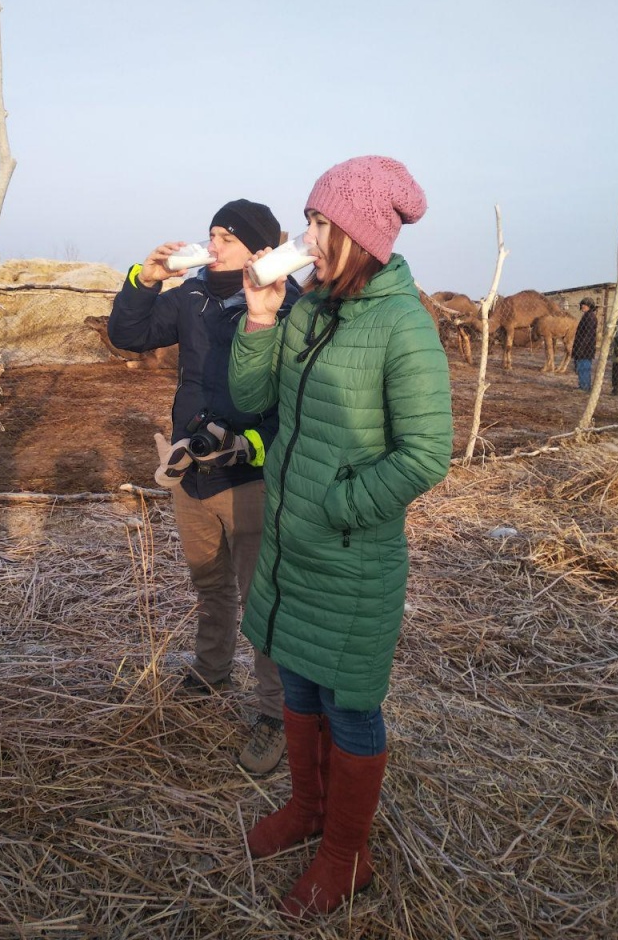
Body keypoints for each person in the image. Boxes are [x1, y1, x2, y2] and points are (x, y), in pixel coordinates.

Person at [228, 156, 454, 919]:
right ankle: (306, 808)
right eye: (311, 219)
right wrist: (261, 316)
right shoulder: (307, 307)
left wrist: (337, 504)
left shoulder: (403, 325)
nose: (308, 236)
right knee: (295, 679)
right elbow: (254, 398)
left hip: (351, 557)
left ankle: (345, 853)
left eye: (322, 224)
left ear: (358, 234)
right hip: (295, 552)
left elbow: (427, 453)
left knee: (350, 706)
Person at [108, 199, 300, 775]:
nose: (213, 245)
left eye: (227, 237)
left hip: (252, 478)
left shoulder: (287, 305)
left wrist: (254, 445)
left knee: (261, 600)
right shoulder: (191, 298)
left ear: (260, 249)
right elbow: (129, 333)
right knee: (210, 584)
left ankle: (274, 714)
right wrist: (145, 279)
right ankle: (212, 671)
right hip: (189, 469)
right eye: (212, 233)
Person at [571, 297, 598, 391]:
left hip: (586, 348)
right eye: (582, 304)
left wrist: (580, 348)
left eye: (585, 305)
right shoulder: (587, 316)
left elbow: (587, 335)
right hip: (583, 346)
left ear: (590, 306)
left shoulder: (590, 317)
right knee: (581, 367)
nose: (583, 306)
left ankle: (585, 387)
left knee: (584, 368)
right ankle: (583, 385)